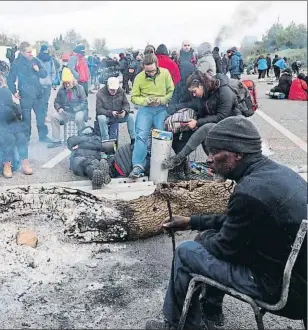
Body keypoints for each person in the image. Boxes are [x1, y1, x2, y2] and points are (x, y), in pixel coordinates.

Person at [146, 116, 307, 330]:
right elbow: (238, 221)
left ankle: (176, 325)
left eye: (215, 152)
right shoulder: (279, 174)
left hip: (283, 291)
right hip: (297, 278)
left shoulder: (249, 192)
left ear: (238, 154)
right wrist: (193, 221)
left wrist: (204, 237)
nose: (209, 159)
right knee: (208, 237)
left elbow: (224, 248)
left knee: (188, 252)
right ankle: (211, 311)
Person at [162, 71, 239, 172]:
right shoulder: (204, 94)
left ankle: (178, 159)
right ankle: (183, 163)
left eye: (194, 91)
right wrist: (177, 113)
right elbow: (197, 109)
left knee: (205, 128)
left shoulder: (224, 92)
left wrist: (198, 123)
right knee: (179, 132)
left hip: (231, 126)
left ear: (201, 85)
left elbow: (222, 116)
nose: (193, 94)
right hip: (212, 124)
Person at [129, 53, 174, 179]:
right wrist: (145, 101)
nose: (151, 74)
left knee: (162, 134)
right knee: (141, 135)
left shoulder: (165, 74)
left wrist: (162, 100)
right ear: (143, 67)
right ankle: (138, 165)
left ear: (157, 66)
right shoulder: (139, 77)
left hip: (161, 108)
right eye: (148, 72)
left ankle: (162, 164)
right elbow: (133, 97)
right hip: (146, 108)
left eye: (153, 71)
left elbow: (171, 91)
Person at [7, 41, 51, 143]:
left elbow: (44, 74)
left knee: (41, 116)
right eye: (28, 52)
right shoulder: (16, 63)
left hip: (38, 93)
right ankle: (26, 139)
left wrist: (38, 70)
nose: (31, 54)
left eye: (31, 51)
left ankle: (43, 136)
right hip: (25, 95)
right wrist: (14, 92)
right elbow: (10, 79)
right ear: (22, 52)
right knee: (26, 120)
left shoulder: (35, 60)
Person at [0, 73, 33, 178]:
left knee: (21, 137)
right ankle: (7, 164)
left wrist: (15, 110)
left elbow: (14, 107)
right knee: (9, 138)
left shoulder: (5, 91)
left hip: (10, 122)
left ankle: (25, 162)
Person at [47, 68, 86, 148]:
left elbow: (84, 103)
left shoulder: (79, 88)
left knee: (79, 117)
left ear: (72, 80)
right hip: (66, 112)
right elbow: (56, 102)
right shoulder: (61, 89)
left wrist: (75, 109)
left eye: (68, 83)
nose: (67, 85)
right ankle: (56, 140)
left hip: (77, 111)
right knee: (54, 117)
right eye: (65, 83)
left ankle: (81, 138)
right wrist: (59, 108)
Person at [96, 77, 135, 143]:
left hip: (118, 115)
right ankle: (105, 141)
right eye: (111, 90)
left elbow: (126, 104)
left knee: (131, 117)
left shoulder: (121, 91)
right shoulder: (100, 93)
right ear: (108, 86)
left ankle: (133, 139)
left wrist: (124, 111)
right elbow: (99, 109)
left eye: (115, 90)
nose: (114, 91)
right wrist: (111, 113)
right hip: (107, 116)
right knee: (101, 118)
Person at [37, 45, 56, 122]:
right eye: (45, 50)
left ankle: (43, 116)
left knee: (45, 101)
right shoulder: (36, 59)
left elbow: (53, 72)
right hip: (38, 84)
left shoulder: (50, 60)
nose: (46, 52)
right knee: (39, 101)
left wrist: (52, 81)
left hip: (47, 84)